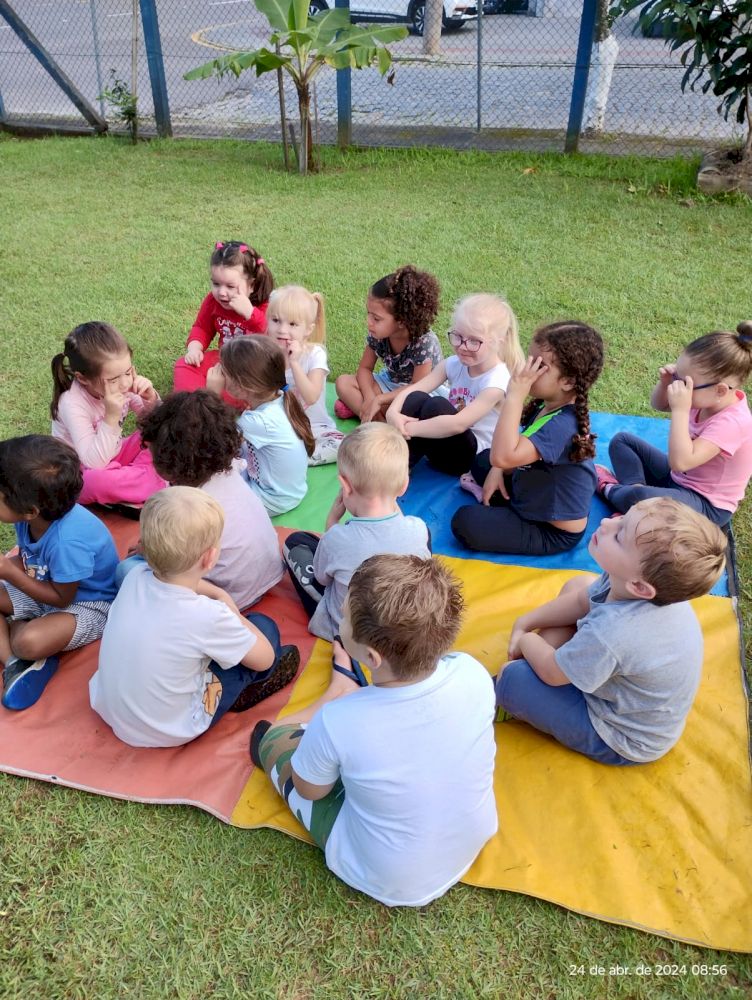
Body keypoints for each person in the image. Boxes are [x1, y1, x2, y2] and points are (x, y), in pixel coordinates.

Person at [250, 553, 498, 906]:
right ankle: (343, 689)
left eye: (345, 618)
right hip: (472, 837)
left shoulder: (339, 720)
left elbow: (310, 789)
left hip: (383, 875)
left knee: (273, 740)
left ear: (371, 657)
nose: (341, 619)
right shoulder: (472, 672)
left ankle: (338, 689)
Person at [496, 497, 726, 764]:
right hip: (624, 691)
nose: (606, 523)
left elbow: (552, 673)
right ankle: (546, 667)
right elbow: (581, 600)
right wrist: (525, 621)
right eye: (621, 518)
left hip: (618, 736)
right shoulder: (634, 585)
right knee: (577, 586)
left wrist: (526, 640)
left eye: (619, 536)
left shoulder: (614, 633)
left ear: (639, 587)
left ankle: (516, 693)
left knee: (512, 677)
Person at [89, 487, 300, 748]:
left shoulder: (133, 576)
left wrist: (219, 594)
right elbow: (264, 658)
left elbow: (179, 588)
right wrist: (230, 609)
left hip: (110, 707)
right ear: (210, 557)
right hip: (169, 728)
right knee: (264, 627)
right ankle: (242, 692)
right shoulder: (209, 616)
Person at [451, 321, 604, 555]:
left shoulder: (561, 426)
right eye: (529, 359)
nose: (526, 369)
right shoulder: (547, 404)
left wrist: (514, 397)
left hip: (549, 529)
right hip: (532, 489)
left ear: (568, 381)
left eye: (539, 366)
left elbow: (503, 456)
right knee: (483, 461)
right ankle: (500, 501)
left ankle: (502, 508)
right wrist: (497, 470)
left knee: (466, 522)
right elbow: (506, 454)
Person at [131, 390, 283, 609]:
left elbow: (170, 559)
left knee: (129, 570)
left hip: (229, 597)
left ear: (169, 460)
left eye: (151, 451)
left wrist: (147, 551)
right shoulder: (228, 470)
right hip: (267, 575)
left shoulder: (186, 506)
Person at [0, 435, 118, 711]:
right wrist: (12, 569)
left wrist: (8, 572)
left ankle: (20, 640)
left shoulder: (68, 542)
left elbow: (61, 598)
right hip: (43, 583)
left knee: (29, 641)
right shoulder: (33, 518)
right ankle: (14, 663)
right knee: (24, 640)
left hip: (88, 604)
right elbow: (31, 561)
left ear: (30, 511)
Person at [282, 423, 431, 641]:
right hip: (399, 632)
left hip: (348, 635)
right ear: (404, 485)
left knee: (295, 543)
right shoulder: (418, 529)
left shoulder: (337, 538)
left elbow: (322, 578)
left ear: (345, 486)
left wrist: (332, 522)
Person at [596, 322, 752, 527]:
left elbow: (681, 462)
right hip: (676, 479)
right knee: (622, 441)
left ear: (720, 390)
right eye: (677, 375)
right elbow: (659, 405)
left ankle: (610, 489)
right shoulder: (704, 397)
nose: (678, 386)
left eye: (684, 382)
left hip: (706, 505)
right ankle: (633, 499)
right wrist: (665, 383)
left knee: (640, 497)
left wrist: (681, 411)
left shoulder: (733, 423)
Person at [386, 293, 524, 476]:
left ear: (498, 343)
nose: (463, 346)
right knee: (417, 398)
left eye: (474, 341)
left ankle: (396, 469)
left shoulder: (496, 381)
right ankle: (394, 461)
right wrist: (392, 412)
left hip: (470, 459)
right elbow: (415, 389)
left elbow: (458, 424)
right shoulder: (453, 364)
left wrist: (406, 428)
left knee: (437, 405)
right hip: (443, 441)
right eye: (458, 336)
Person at [51, 321, 166, 509]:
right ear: (82, 378)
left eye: (128, 372)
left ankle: (137, 482)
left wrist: (150, 399)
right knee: (95, 482)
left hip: (114, 453)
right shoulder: (71, 403)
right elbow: (93, 462)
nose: (125, 383)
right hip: (82, 471)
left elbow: (155, 423)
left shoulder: (123, 384)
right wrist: (111, 418)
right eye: (113, 379)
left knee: (160, 434)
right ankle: (153, 478)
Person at [207, 337, 314, 517]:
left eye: (224, 372)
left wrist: (211, 395)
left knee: (203, 493)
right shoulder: (280, 397)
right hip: (289, 491)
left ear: (243, 386)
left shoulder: (258, 422)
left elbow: (211, 439)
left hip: (272, 499)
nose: (220, 375)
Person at [334, 265, 442, 422]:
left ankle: (372, 417)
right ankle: (381, 423)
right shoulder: (378, 334)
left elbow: (418, 388)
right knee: (343, 383)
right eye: (368, 314)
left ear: (402, 321)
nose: (369, 322)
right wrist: (369, 398)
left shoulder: (424, 342)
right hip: (389, 385)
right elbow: (365, 368)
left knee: (413, 410)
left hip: (419, 394)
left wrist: (379, 400)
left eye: (376, 318)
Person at [173, 240, 274, 398]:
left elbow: (271, 340)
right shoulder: (213, 301)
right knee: (183, 366)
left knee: (250, 389)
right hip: (225, 360)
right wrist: (195, 349)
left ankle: (209, 399)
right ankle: (202, 398)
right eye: (216, 284)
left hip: (253, 369)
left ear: (252, 285)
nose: (221, 292)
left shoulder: (265, 305)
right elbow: (202, 328)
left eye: (230, 286)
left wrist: (250, 314)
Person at [267, 284, 344, 466]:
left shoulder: (315, 354)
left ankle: (293, 456)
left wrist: (294, 363)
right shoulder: (265, 352)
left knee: (341, 446)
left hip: (315, 428)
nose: (282, 329)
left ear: (308, 330)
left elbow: (311, 396)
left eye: (292, 324)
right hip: (280, 428)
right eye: (276, 320)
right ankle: (289, 454)